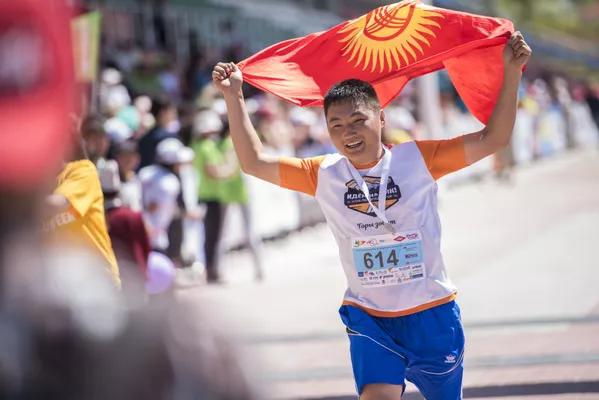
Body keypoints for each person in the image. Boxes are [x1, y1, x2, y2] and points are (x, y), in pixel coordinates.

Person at [212, 31, 531, 400]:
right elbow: (253, 163)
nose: (347, 132)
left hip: (432, 314)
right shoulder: (323, 173)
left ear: (380, 118)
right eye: (336, 125)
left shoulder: (419, 159)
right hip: (370, 317)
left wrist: (512, 72)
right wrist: (234, 96)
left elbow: (493, 139)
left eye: (357, 121)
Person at [43, 123, 121, 289]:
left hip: (99, 283)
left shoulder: (83, 171)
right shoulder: (32, 190)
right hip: (60, 288)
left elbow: (56, 204)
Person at [191, 110, 235, 283]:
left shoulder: (198, 145)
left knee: (211, 236)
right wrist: (228, 171)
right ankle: (212, 271)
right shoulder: (207, 146)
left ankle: (212, 269)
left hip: (209, 195)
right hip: (212, 196)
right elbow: (212, 171)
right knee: (213, 236)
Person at [100, 161, 150, 302]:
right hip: (136, 275)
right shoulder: (134, 215)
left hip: (112, 280)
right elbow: (146, 247)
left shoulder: (101, 219)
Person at [139, 138, 193, 268]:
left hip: (140, 230)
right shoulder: (170, 182)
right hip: (158, 236)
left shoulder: (144, 173)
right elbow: (159, 208)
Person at [138, 95, 179, 170]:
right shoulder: (165, 137)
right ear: (163, 112)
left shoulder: (146, 136)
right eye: (172, 112)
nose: (174, 115)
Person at [114, 139, 143, 211]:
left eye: (131, 156)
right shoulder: (112, 179)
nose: (127, 160)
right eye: (123, 156)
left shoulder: (140, 179)